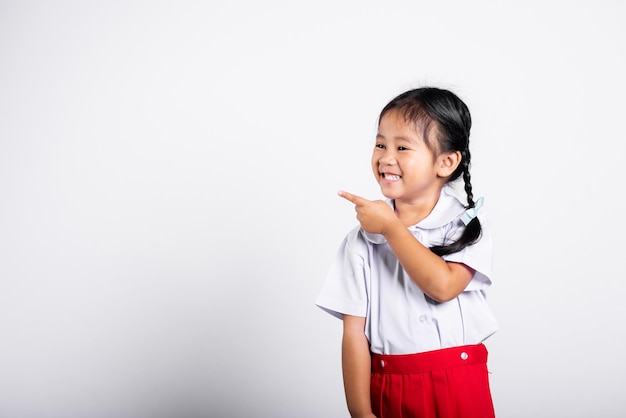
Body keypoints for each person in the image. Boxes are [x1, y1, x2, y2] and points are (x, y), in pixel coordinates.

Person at [315, 87, 498, 418]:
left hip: (459, 383)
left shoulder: (464, 225)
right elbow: (354, 334)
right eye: (380, 143)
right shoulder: (360, 241)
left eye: (402, 147)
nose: (386, 157)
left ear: (446, 162)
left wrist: (391, 228)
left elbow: (443, 286)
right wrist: (361, 412)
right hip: (389, 387)